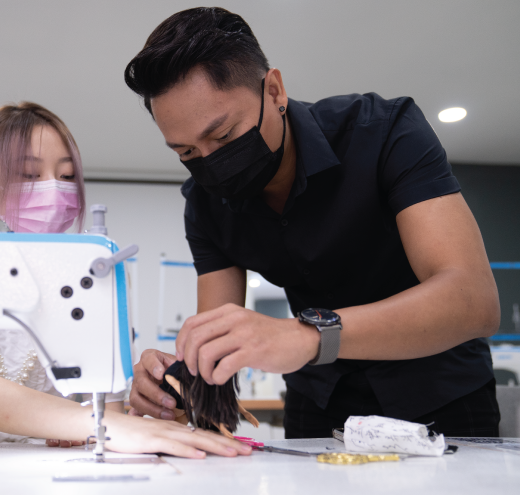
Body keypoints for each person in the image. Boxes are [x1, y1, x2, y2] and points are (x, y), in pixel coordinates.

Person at [123, 7, 501, 438]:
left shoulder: (385, 133)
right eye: (186, 153)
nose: (212, 164)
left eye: (224, 136)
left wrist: (308, 336)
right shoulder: (206, 205)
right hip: (318, 402)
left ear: (275, 91)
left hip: (441, 394)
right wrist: (175, 386)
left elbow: (473, 300)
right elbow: (216, 346)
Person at [0, 101, 251, 458]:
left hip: (52, 466)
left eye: (68, 176)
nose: (54, 189)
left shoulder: (95, 269)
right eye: (29, 175)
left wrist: (161, 405)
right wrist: (96, 424)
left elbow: (111, 413)